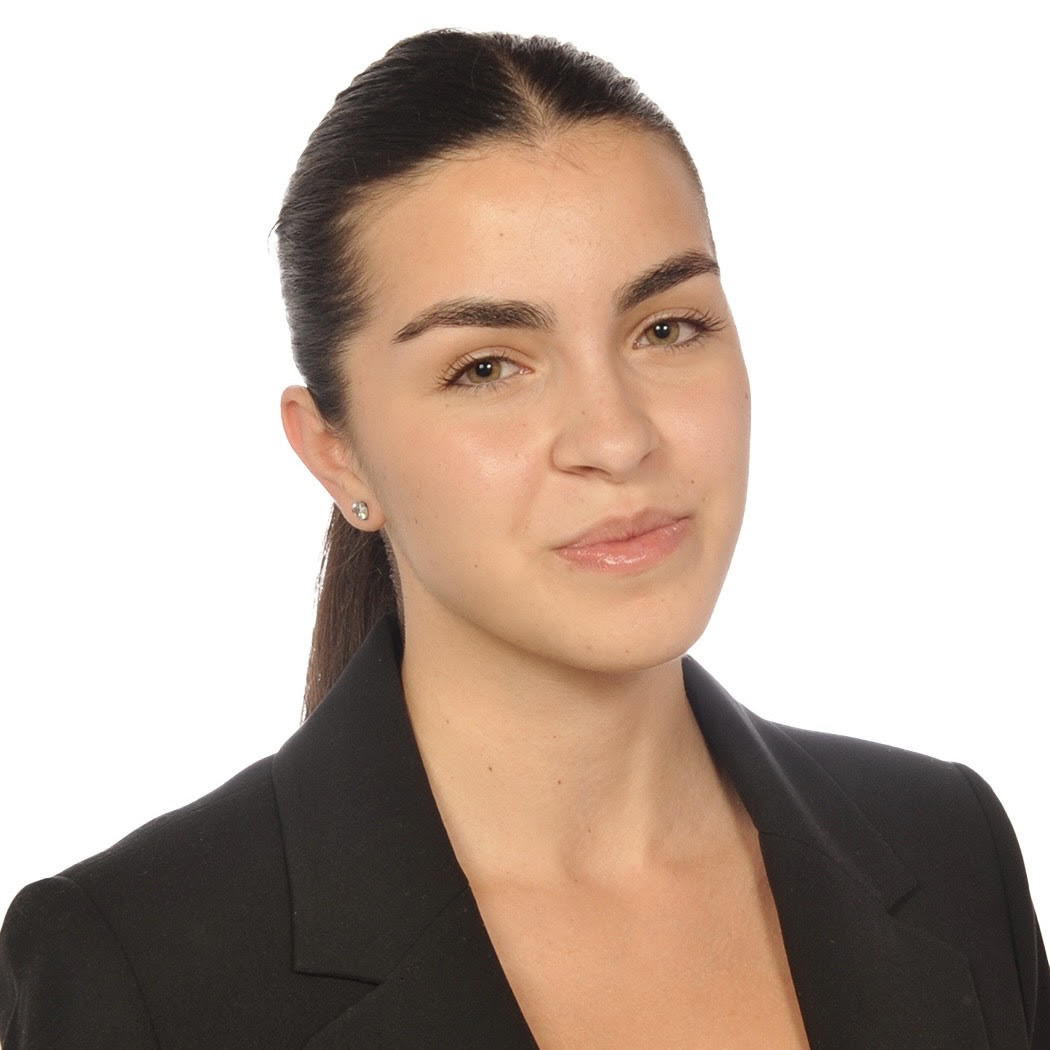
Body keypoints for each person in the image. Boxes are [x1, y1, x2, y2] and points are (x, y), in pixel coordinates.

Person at [0, 27, 1045, 1049]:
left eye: (666, 328)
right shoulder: (136, 970)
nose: (617, 438)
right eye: (488, 367)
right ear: (336, 454)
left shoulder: (948, 848)